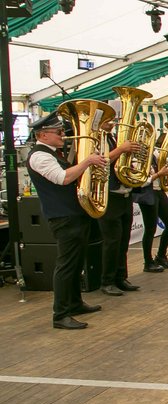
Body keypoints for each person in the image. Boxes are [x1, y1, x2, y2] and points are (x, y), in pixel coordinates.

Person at [27, 111, 104, 329]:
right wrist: (88, 161)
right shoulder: (39, 156)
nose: (63, 135)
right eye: (58, 132)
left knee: (77, 262)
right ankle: (60, 314)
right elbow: (63, 178)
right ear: (42, 135)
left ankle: (75, 303)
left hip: (74, 214)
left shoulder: (53, 153)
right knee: (67, 266)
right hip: (63, 217)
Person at [97, 119, 140, 296]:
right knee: (112, 241)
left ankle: (121, 277)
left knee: (123, 239)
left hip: (124, 194)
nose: (112, 121)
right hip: (110, 195)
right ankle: (107, 281)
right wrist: (122, 149)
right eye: (107, 118)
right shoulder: (96, 138)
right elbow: (100, 162)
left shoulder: (113, 138)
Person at [134, 151, 168, 273]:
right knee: (150, 229)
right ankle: (148, 262)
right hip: (147, 193)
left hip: (158, 191)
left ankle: (161, 255)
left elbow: (164, 165)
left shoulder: (155, 153)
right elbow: (140, 181)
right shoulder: (138, 155)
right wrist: (159, 174)